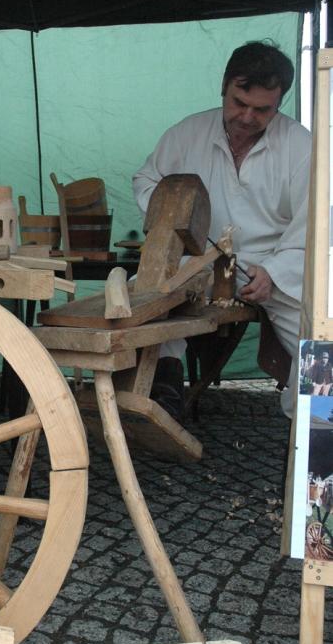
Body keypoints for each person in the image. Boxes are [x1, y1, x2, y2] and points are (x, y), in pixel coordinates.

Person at [132, 41, 312, 418]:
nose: (246, 117)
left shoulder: (301, 146)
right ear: (224, 86)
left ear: (279, 104)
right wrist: (177, 219)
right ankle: (163, 384)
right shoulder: (188, 133)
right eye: (238, 102)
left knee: (321, 342)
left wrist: (275, 273)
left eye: (261, 110)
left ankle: (311, 436)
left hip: (273, 269)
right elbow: (149, 180)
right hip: (200, 256)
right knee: (147, 296)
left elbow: (311, 223)